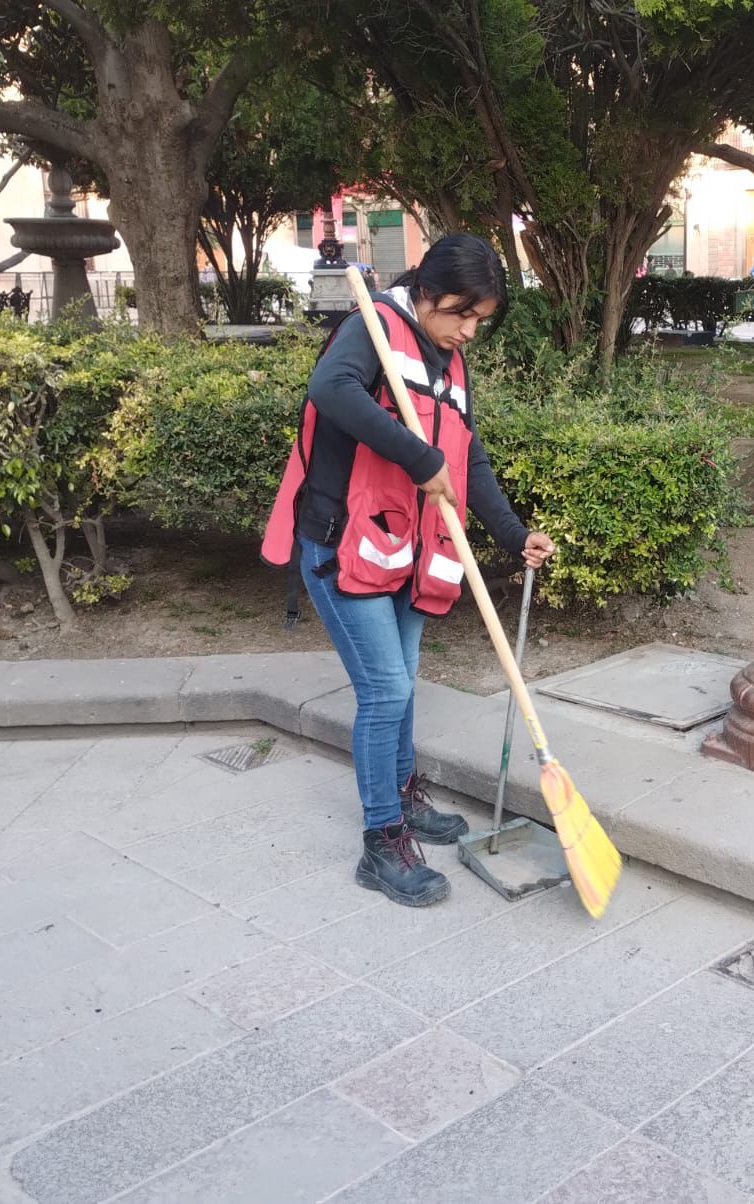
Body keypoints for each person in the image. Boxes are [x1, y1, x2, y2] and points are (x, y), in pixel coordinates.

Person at [261, 233, 556, 908]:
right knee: (386, 691)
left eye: (480, 318)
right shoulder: (372, 328)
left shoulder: (450, 361)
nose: (470, 330)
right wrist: (415, 459)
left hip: (405, 549)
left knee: (402, 684)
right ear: (425, 292)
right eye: (460, 312)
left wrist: (513, 535)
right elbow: (329, 389)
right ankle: (381, 841)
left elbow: (464, 456)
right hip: (341, 545)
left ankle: (401, 791)